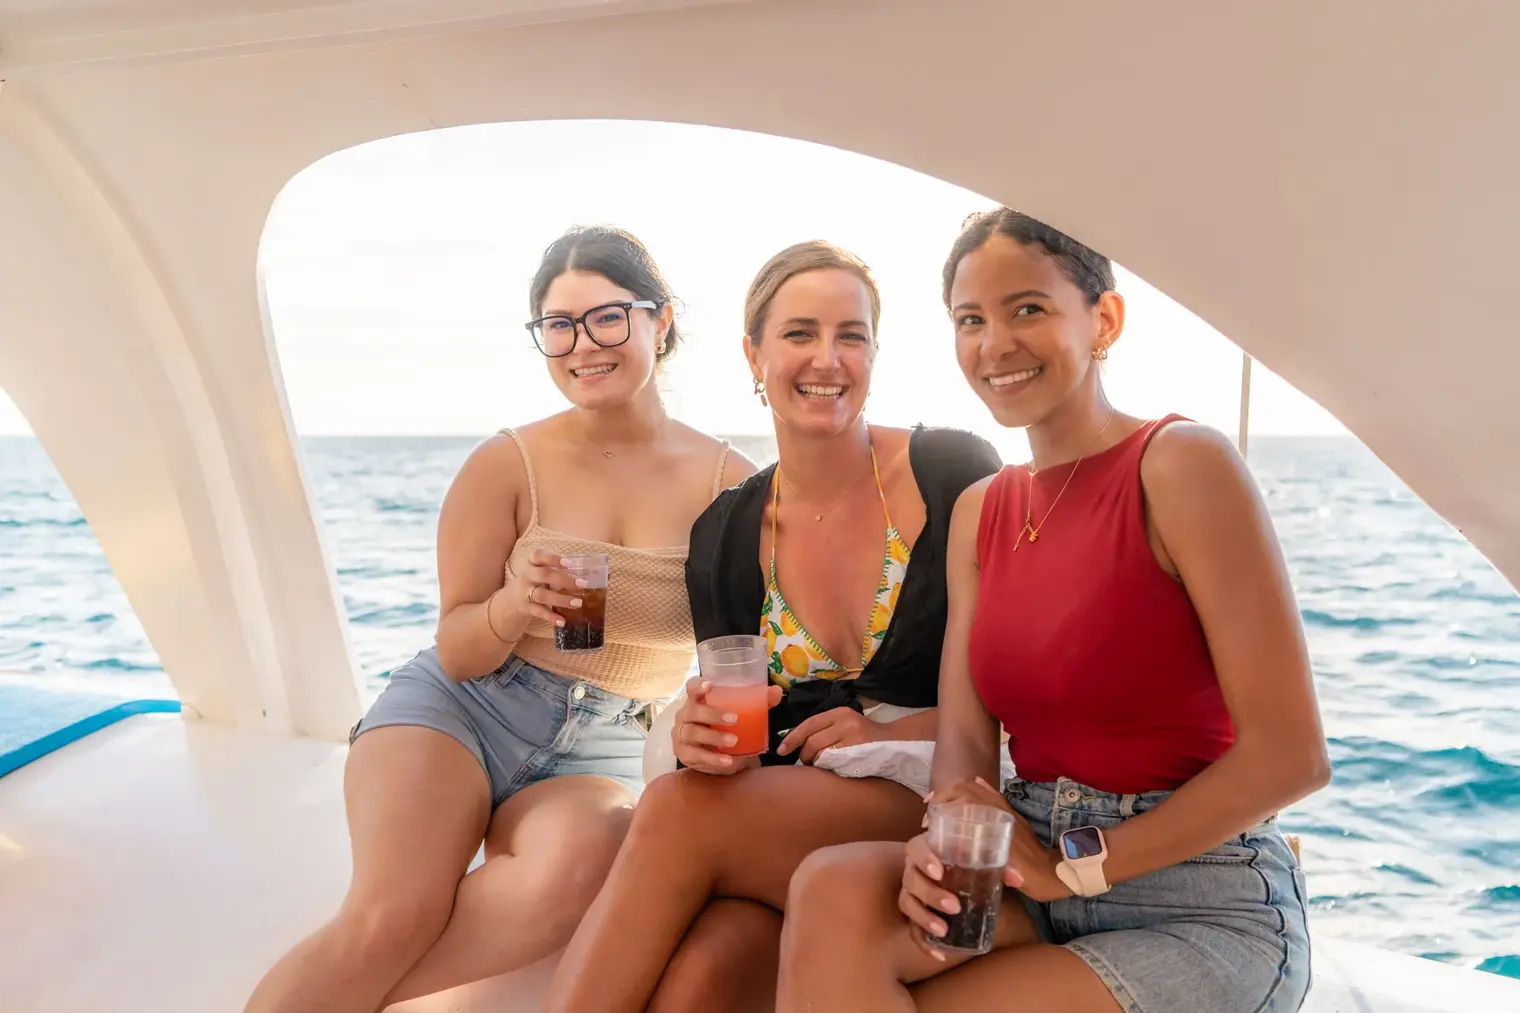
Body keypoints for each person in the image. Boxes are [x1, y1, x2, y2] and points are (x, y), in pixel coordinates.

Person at [777, 208, 1331, 1013]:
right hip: (1025, 862)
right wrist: (943, 841)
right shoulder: (980, 509)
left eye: (1027, 309)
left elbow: (1292, 757)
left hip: (1198, 896)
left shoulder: (1181, 465)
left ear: (1104, 319)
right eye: (971, 320)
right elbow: (967, 747)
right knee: (829, 889)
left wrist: (1078, 865)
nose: (994, 344)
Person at [243, 226, 753, 1013]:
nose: (584, 345)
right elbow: (456, 649)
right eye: (560, 325)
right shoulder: (505, 463)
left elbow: (751, 647)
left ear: (662, 321)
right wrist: (515, 606)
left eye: (608, 317)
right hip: (464, 709)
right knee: (391, 917)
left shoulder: (732, 484)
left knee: (581, 865)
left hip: (609, 743)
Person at [540, 241, 1002, 1013]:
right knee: (696, 983)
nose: (827, 358)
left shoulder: (951, 474)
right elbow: (744, 732)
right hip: (800, 814)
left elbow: (1030, 675)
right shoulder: (725, 534)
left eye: (850, 335)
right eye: (799, 333)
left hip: (943, 791)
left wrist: (897, 729)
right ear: (753, 355)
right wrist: (697, 738)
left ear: (874, 354)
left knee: (676, 810)